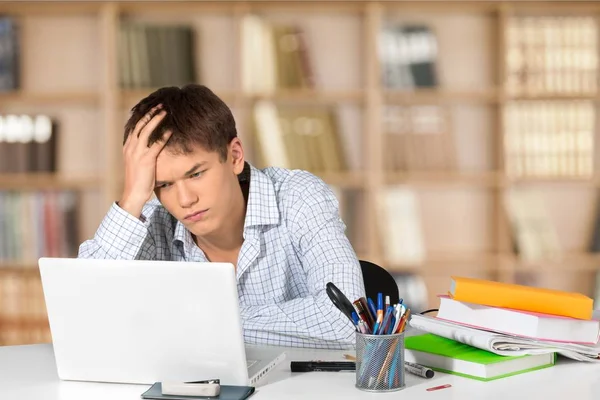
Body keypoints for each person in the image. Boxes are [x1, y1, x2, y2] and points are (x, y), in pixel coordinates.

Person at [78, 84, 365, 349]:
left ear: (235, 156)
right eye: (163, 185)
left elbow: (347, 320)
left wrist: (199, 325)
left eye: (196, 174)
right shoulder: (152, 224)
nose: (185, 200)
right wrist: (131, 198)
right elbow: (84, 321)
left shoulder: (298, 198)